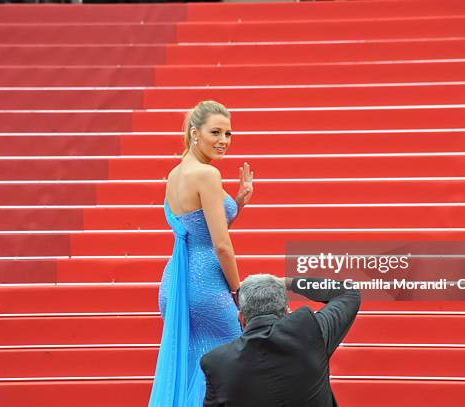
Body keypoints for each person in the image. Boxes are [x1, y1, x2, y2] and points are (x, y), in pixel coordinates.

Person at [148, 100, 254, 406]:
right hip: (206, 286)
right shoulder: (208, 176)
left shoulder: (176, 174)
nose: (224, 141)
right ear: (195, 133)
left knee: (195, 368)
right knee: (234, 366)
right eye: (216, 132)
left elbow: (200, 230)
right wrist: (239, 292)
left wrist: (239, 202)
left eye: (229, 134)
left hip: (177, 283)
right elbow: (220, 245)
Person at [200, 275, 361, 407]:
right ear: (286, 312)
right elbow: (348, 292)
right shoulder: (311, 330)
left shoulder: (216, 363)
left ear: (241, 319)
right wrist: (287, 283)